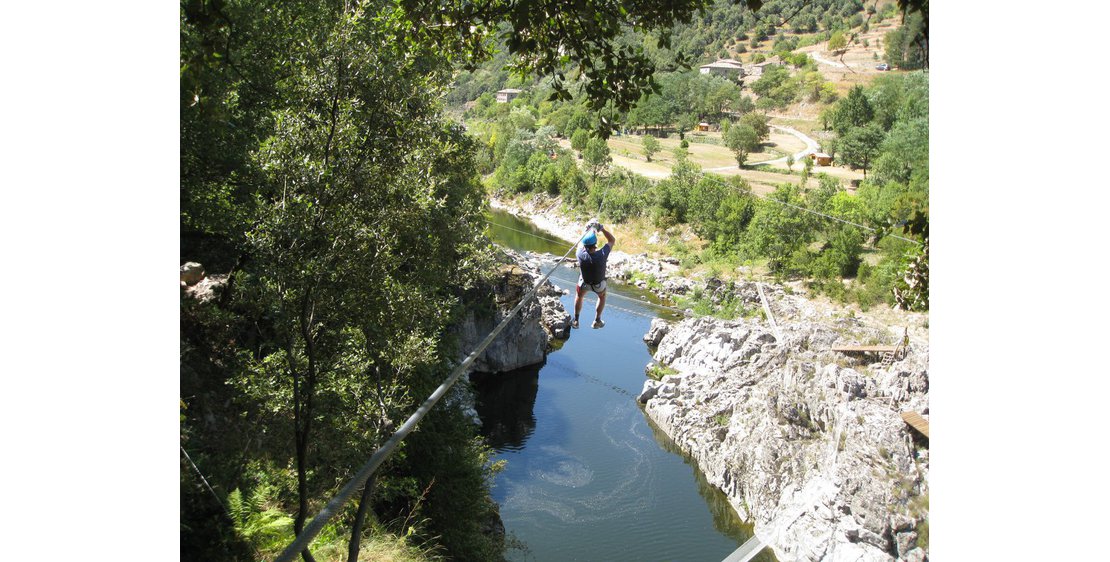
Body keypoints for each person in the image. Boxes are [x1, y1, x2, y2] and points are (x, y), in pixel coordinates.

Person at [573, 219, 615, 329]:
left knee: (579, 296)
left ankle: (576, 320)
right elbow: (611, 240)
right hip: (598, 285)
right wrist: (602, 229)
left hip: (585, 283)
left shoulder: (579, 253)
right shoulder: (602, 254)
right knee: (602, 297)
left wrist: (587, 230)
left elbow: (580, 242)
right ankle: (597, 320)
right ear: (595, 245)